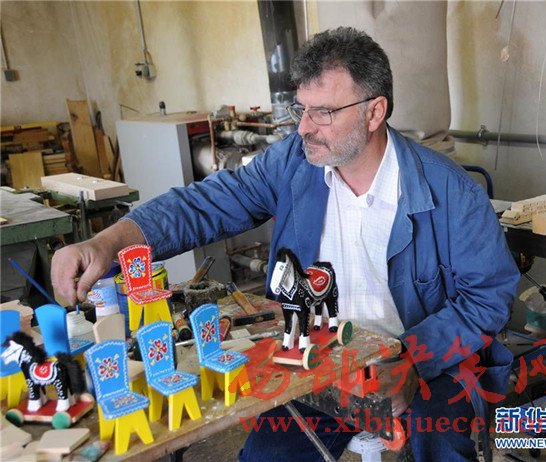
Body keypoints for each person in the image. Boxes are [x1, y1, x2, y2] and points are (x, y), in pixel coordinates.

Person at [52, 27, 519, 461]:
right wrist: (110, 242)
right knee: (266, 456)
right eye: (301, 109)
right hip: (320, 355)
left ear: (374, 112)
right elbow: (205, 204)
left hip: (418, 358)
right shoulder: (294, 163)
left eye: (323, 113)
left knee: (442, 445)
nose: (303, 128)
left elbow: (489, 296)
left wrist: (414, 359)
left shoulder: (451, 193)